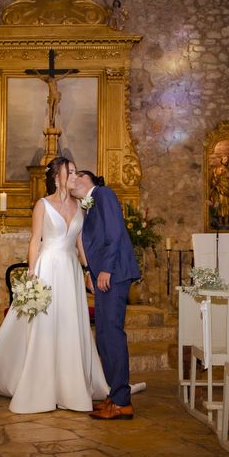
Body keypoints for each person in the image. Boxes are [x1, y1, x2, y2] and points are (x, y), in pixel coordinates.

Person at [0, 157, 108, 413]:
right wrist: (31, 272)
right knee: (46, 325)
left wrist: (88, 271)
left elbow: (80, 244)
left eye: (75, 172)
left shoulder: (81, 206)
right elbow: (35, 241)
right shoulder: (42, 205)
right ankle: (42, 386)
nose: (75, 177)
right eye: (70, 172)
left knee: (69, 324)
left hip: (70, 270)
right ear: (57, 177)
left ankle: (71, 387)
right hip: (47, 268)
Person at [71, 171, 140, 420]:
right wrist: (90, 271)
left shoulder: (104, 193)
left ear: (84, 179)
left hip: (114, 273)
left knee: (111, 334)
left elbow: (114, 233)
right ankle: (114, 394)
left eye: (74, 176)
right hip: (103, 275)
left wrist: (106, 269)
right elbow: (94, 243)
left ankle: (122, 401)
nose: (70, 182)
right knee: (103, 335)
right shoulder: (88, 205)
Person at [209, 154, 229, 227]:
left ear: (228, 161)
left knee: (228, 206)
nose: (226, 161)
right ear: (221, 160)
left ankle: (227, 223)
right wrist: (216, 182)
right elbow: (214, 180)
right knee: (221, 206)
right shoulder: (217, 169)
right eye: (224, 159)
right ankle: (220, 223)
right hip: (220, 189)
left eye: (227, 159)